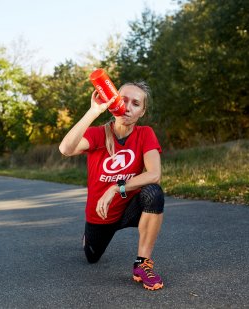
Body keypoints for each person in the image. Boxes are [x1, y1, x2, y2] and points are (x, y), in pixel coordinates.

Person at [58, 81, 165, 291]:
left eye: (135, 103)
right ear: (114, 102)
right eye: (123, 100)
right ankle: (88, 238)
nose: (127, 107)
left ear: (142, 112)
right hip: (101, 214)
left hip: (128, 207)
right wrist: (93, 110)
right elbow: (65, 149)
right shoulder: (98, 134)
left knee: (154, 193)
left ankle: (142, 264)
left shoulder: (145, 134)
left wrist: (117, 187)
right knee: (92, 257)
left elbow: (154, 174)